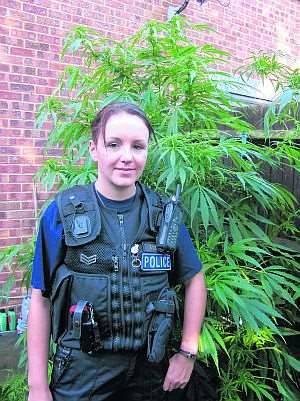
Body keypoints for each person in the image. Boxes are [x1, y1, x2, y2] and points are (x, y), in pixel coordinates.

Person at [27, 102, 207, 401]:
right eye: (114, 144)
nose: (127, 157)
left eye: (138, 146)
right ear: (94, 149)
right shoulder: (62, 214)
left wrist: (187, 351)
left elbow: (195, 278)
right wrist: (37, 386)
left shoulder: (164, 215)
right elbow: (40, 299)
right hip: (83, 372)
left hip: (151, 370)